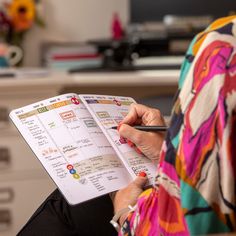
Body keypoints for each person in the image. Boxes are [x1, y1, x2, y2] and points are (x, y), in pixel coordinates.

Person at [18, 15, 236, 235]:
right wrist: (165, 155)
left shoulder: (222, 46)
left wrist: (125, 212)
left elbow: (192, 222)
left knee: (72, 205)